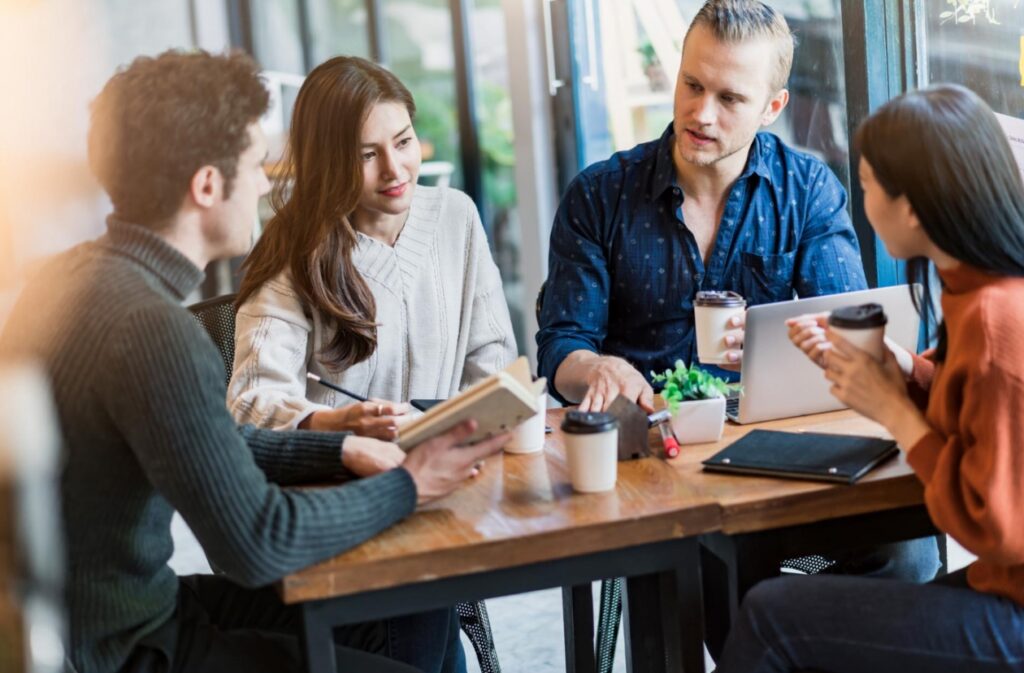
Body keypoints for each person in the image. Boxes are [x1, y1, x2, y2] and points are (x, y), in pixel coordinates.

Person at [0, 50, 509, 673]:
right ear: (207, 186)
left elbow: (203, 445)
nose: (267, 182)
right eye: (253, 164)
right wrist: (410, 484)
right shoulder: (152, 329)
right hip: (122, 651)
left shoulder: (72, 277)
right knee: (401, 619)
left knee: (409, 611)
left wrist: (336, 448)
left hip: (115, 615)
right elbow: (258, 542)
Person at [716, 84, 1024, 672]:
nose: (861, 204)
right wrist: (904, 367)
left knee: (772, 616)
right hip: (1002, 594)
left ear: (911, 207)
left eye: (867, 185)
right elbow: (984, 407)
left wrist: (897, 414)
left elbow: (1001, 528)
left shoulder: (995, 318)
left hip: (1013, 615)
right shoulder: (979, 288)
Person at [536, 0, 867, 414]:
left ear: (772, 107)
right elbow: (561, 345)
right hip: (640, 437)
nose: (701, 114)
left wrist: (784, 342)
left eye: (729, 98)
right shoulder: (599, 194)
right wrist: (594, 368)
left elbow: (851, 336)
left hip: (763, 433)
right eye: (693, 85)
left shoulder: (807, 191)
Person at [227, 56, 517, 439]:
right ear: (328, 162)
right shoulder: (293, 245)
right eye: (367, 154)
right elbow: (252, 399)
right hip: (340, 476)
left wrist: (452, 436)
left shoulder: (456, 216)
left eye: (403, 142)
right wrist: (337, 424)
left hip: (450, 461)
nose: (394, 169)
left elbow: (494, 358)